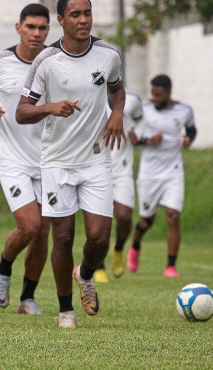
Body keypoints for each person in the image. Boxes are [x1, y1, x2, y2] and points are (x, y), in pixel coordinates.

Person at [16, 0, 126, 329]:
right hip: (57, 162)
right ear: (61, 21)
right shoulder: (46, 61)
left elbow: (117, 88)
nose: (83, 20)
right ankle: (66, 310)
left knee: (99, 238)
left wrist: (117, 113)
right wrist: (50, 106)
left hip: (95, 160)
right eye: (75, 14)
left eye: (87, 13)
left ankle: (86, 273)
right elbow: (22, 112)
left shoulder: (108, 55)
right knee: (62, 237)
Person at [0, 4, 51, 315]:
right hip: (11, 158)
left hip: (47, 159)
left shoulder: (53, 62)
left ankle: (27, 298)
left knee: (44, 232)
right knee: (30, 225)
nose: (36, 33)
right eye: (30, 27)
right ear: (18, 27)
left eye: (42, 28)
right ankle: (4, 269)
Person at [127, 74, 196, 278]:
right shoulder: (144, 110)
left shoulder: (184, 110)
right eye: (153, 94)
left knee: (173, 216)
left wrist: (187, 140)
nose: (154, 98)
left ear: (168, 93)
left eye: (159, 94)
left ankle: (170, 267)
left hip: (173, 172)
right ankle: (136, 244)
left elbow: (192, 130)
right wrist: (148, 140)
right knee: (146, 220)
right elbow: (133, 138)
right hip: (149, 174)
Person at [94, 91, 143, 283]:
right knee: (99, 223)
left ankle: (119, 247)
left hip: (122, 169)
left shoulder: (131, 100)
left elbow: (141, 120)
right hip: (96, 169)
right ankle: (99, 265)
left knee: (124, 217)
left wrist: (136, 134)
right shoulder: (89, 96)